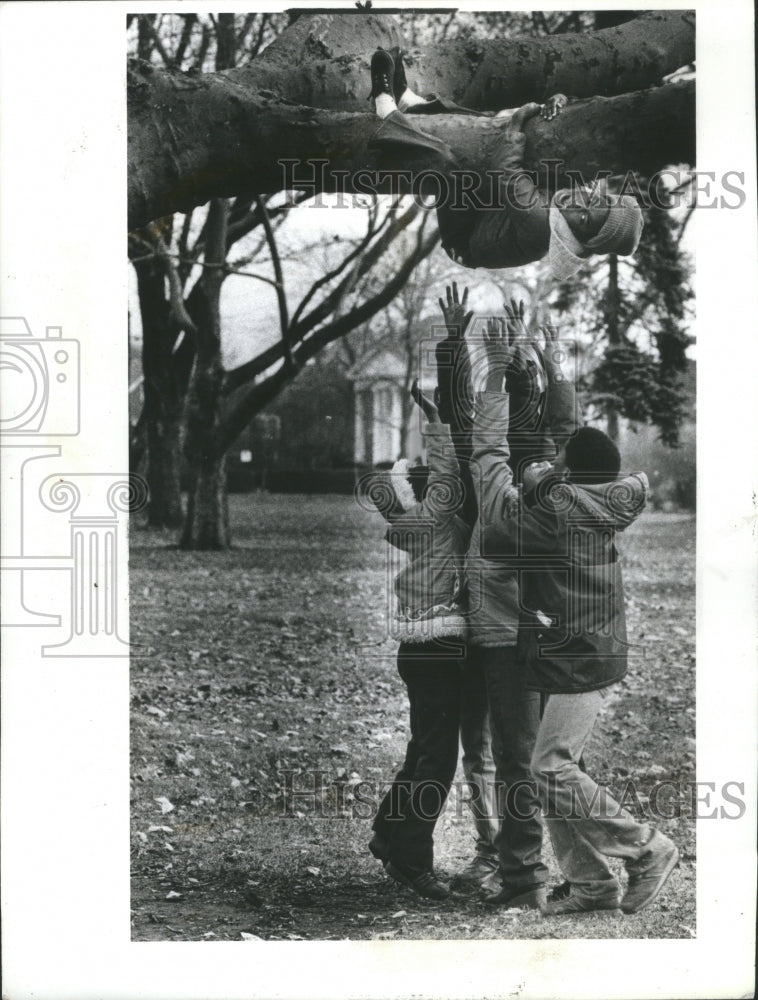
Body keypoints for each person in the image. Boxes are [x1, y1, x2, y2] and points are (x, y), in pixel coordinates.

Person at [470, 319, 679, 915]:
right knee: (549, 769)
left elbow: (488, 472)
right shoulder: (599, 497)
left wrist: (492, 384)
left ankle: (645, 849)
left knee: (550, 766)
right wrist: (557, 371)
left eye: (557, 460)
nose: (551, 457)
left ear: (566, 473)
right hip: (586, 649)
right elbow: (575, 439)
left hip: (574, 656)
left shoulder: (545, 520)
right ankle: (590, 884)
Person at [367, 47, 644, 279]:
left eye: (583, 219)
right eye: (593, 201)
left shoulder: (542, 226)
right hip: (496, 207)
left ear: (580, 236)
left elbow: (505, 172)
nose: (578, 204)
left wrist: (520, 118)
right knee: (485, 134)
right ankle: (411, 105)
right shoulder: (580, 188)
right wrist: (560, 101)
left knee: (447, 167)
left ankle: (387, 117)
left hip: (466, 235)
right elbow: (571, 115)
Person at [364, 380, 471, 900]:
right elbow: (448, 470)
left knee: (423, 749)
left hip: (419, 647)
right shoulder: (437, 519)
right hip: (440, 644)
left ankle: (389, 832)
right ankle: (411, 860)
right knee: (437, 760)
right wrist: (435, 421)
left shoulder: (412, 524)